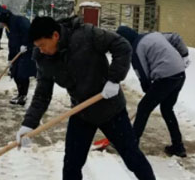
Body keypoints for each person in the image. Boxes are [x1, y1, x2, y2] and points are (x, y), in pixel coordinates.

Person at [16, 17, 156, 180]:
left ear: (55, 35)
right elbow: (42, 95)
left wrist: (114, 79)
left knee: (133, 158)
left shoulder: (86, 35)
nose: (41, 50)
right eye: (37, 47)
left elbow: (122, 46)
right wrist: (28, 124)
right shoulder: (43, 59)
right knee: (71, 165)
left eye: (42, 45)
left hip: (111, 110)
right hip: (82, 112)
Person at [116, 26, 189, 158]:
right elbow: (176, 37)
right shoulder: (153, 35)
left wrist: (148, 90)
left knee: (143, 108)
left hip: (166, 78)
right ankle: (178, 146)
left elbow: (143, 74)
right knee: (167, 109)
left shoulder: (136, 50)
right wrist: (184, 55)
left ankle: (132, 146)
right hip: (180, 74)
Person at [0, 9, 36, 106]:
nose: (2, 26)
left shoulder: (20, 21)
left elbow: (29, 33)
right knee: (15, 74)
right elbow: (11, 43)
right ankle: (20, 94)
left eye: (2, 23)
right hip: (17, 53)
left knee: (23, 74)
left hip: (27, 52)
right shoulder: (8, 28)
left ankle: (23, 96)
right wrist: (10, 59)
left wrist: (25, 45)